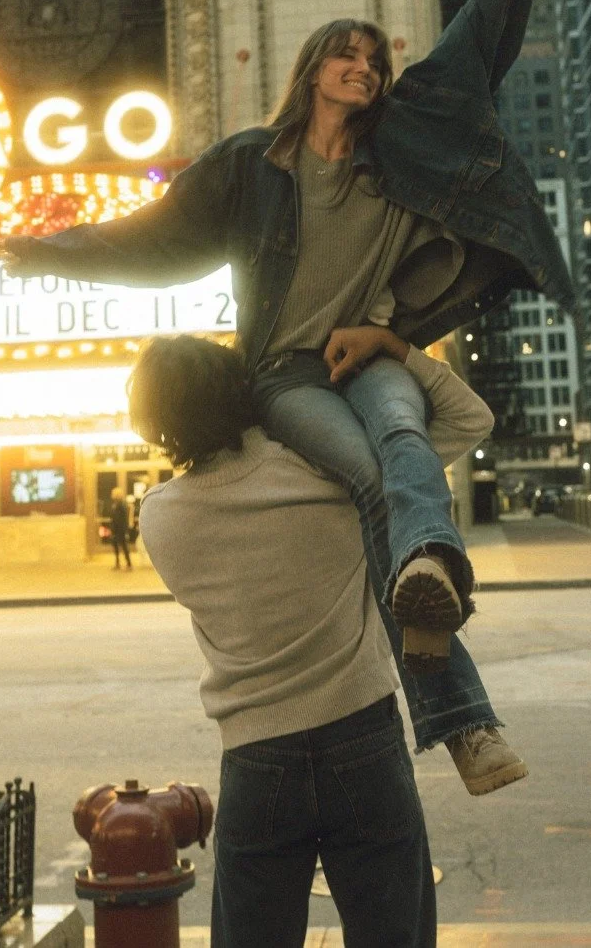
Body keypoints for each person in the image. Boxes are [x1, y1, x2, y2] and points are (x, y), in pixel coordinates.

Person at [0, 0, 572, 789]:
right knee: (379, 474)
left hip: (369, 350)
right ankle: (466, 724)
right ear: (312, 70)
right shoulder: (249, 167)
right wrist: (51, 251)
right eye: (347, 55)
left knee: (405, 437)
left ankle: (428, 580)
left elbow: (473, 49)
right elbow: (155, 236)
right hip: (287, 376)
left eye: (375, 62)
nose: (364, 69)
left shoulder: (403, 147)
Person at [130, 333, 489, 948]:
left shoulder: (159, 515)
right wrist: (396, 351)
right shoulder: (334, 475)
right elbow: (469, 418)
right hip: (362, 735)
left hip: (254, 756)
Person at [108, 487, 133, 570]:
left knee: (124, 547)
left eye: (113, 493)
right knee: (116, 546)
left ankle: (129, 564)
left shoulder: (122, 505)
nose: (112, 495)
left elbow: (124, 519)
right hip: (115, 529)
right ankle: (118, 563)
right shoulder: (115, 504)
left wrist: (125, 531)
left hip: (120, 530)